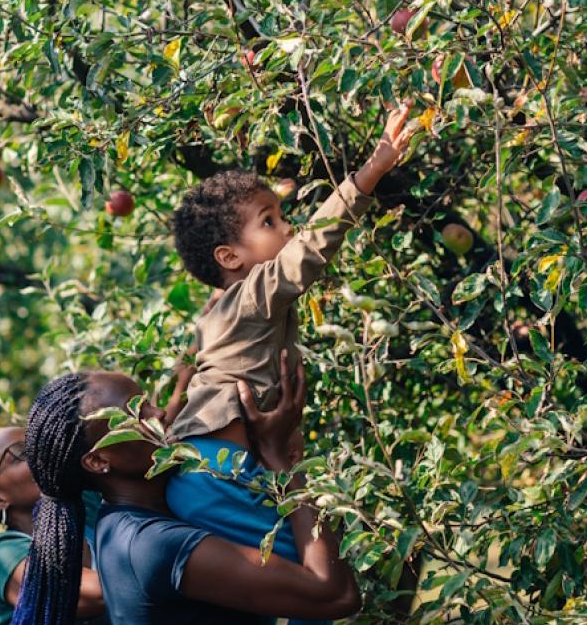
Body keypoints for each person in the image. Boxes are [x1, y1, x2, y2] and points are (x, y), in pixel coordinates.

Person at [166, 102, 419, 558]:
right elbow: (309, 251)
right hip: (223, 472)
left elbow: (185, 373)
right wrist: (371, 172)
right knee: (322, 564)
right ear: (229, 257)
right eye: (269, 221)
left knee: (286, 574)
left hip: (202, 473)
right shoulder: (253, 293)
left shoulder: (217, 312)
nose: (287, 228)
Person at [11, 354, 360, 625]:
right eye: (139, 413)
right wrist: (277, 457)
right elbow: (334, 594)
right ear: (99, 461)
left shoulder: (127, 521)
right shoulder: (151, 544)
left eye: (147, 401)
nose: (160, 412)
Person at [0, 426, 106, 623]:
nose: (42, 451)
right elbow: (90, 595)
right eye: (23, 452)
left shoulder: (85, 503)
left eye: (38, 441)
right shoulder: (0, 553)